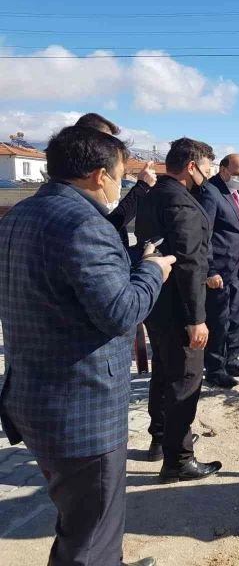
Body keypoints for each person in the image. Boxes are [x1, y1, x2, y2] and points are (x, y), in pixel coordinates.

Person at [0, 125, 175, 566]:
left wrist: (130, 262)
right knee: (90, 535)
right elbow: (119, 312)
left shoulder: (20, 216)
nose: (121, 186)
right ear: (100, 175)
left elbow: (63, 285)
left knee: (79, 521)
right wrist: (153, 272)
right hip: (81, 409)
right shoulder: (85, 223)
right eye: (120, 176)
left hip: (33, 398)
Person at [135, 137, 223, 482]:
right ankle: (179, 459)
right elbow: (189, 264)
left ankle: (161, 439)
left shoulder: (154, 195)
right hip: (178, 310)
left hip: (157, 305)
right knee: (185, 380)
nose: (209, 174)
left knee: (164, 374)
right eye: (207, 168)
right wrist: (196, 320)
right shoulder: (181, 204)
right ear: (191, 166)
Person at [197, 153, 239, 390]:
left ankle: (232, 360)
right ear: (223, 170)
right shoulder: (211, 193)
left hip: (237, 267)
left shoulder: (236, 193)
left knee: (236, 318)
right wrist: (210, 269)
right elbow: (204, 234)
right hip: (219, 270)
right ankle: (215, 369)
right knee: (218, 320)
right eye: (237, 173)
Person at [74, 112, 157, 247]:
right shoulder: (82, 220)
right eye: (106, 143)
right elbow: (107, 229)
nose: (110, 149)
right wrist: (152, 267)